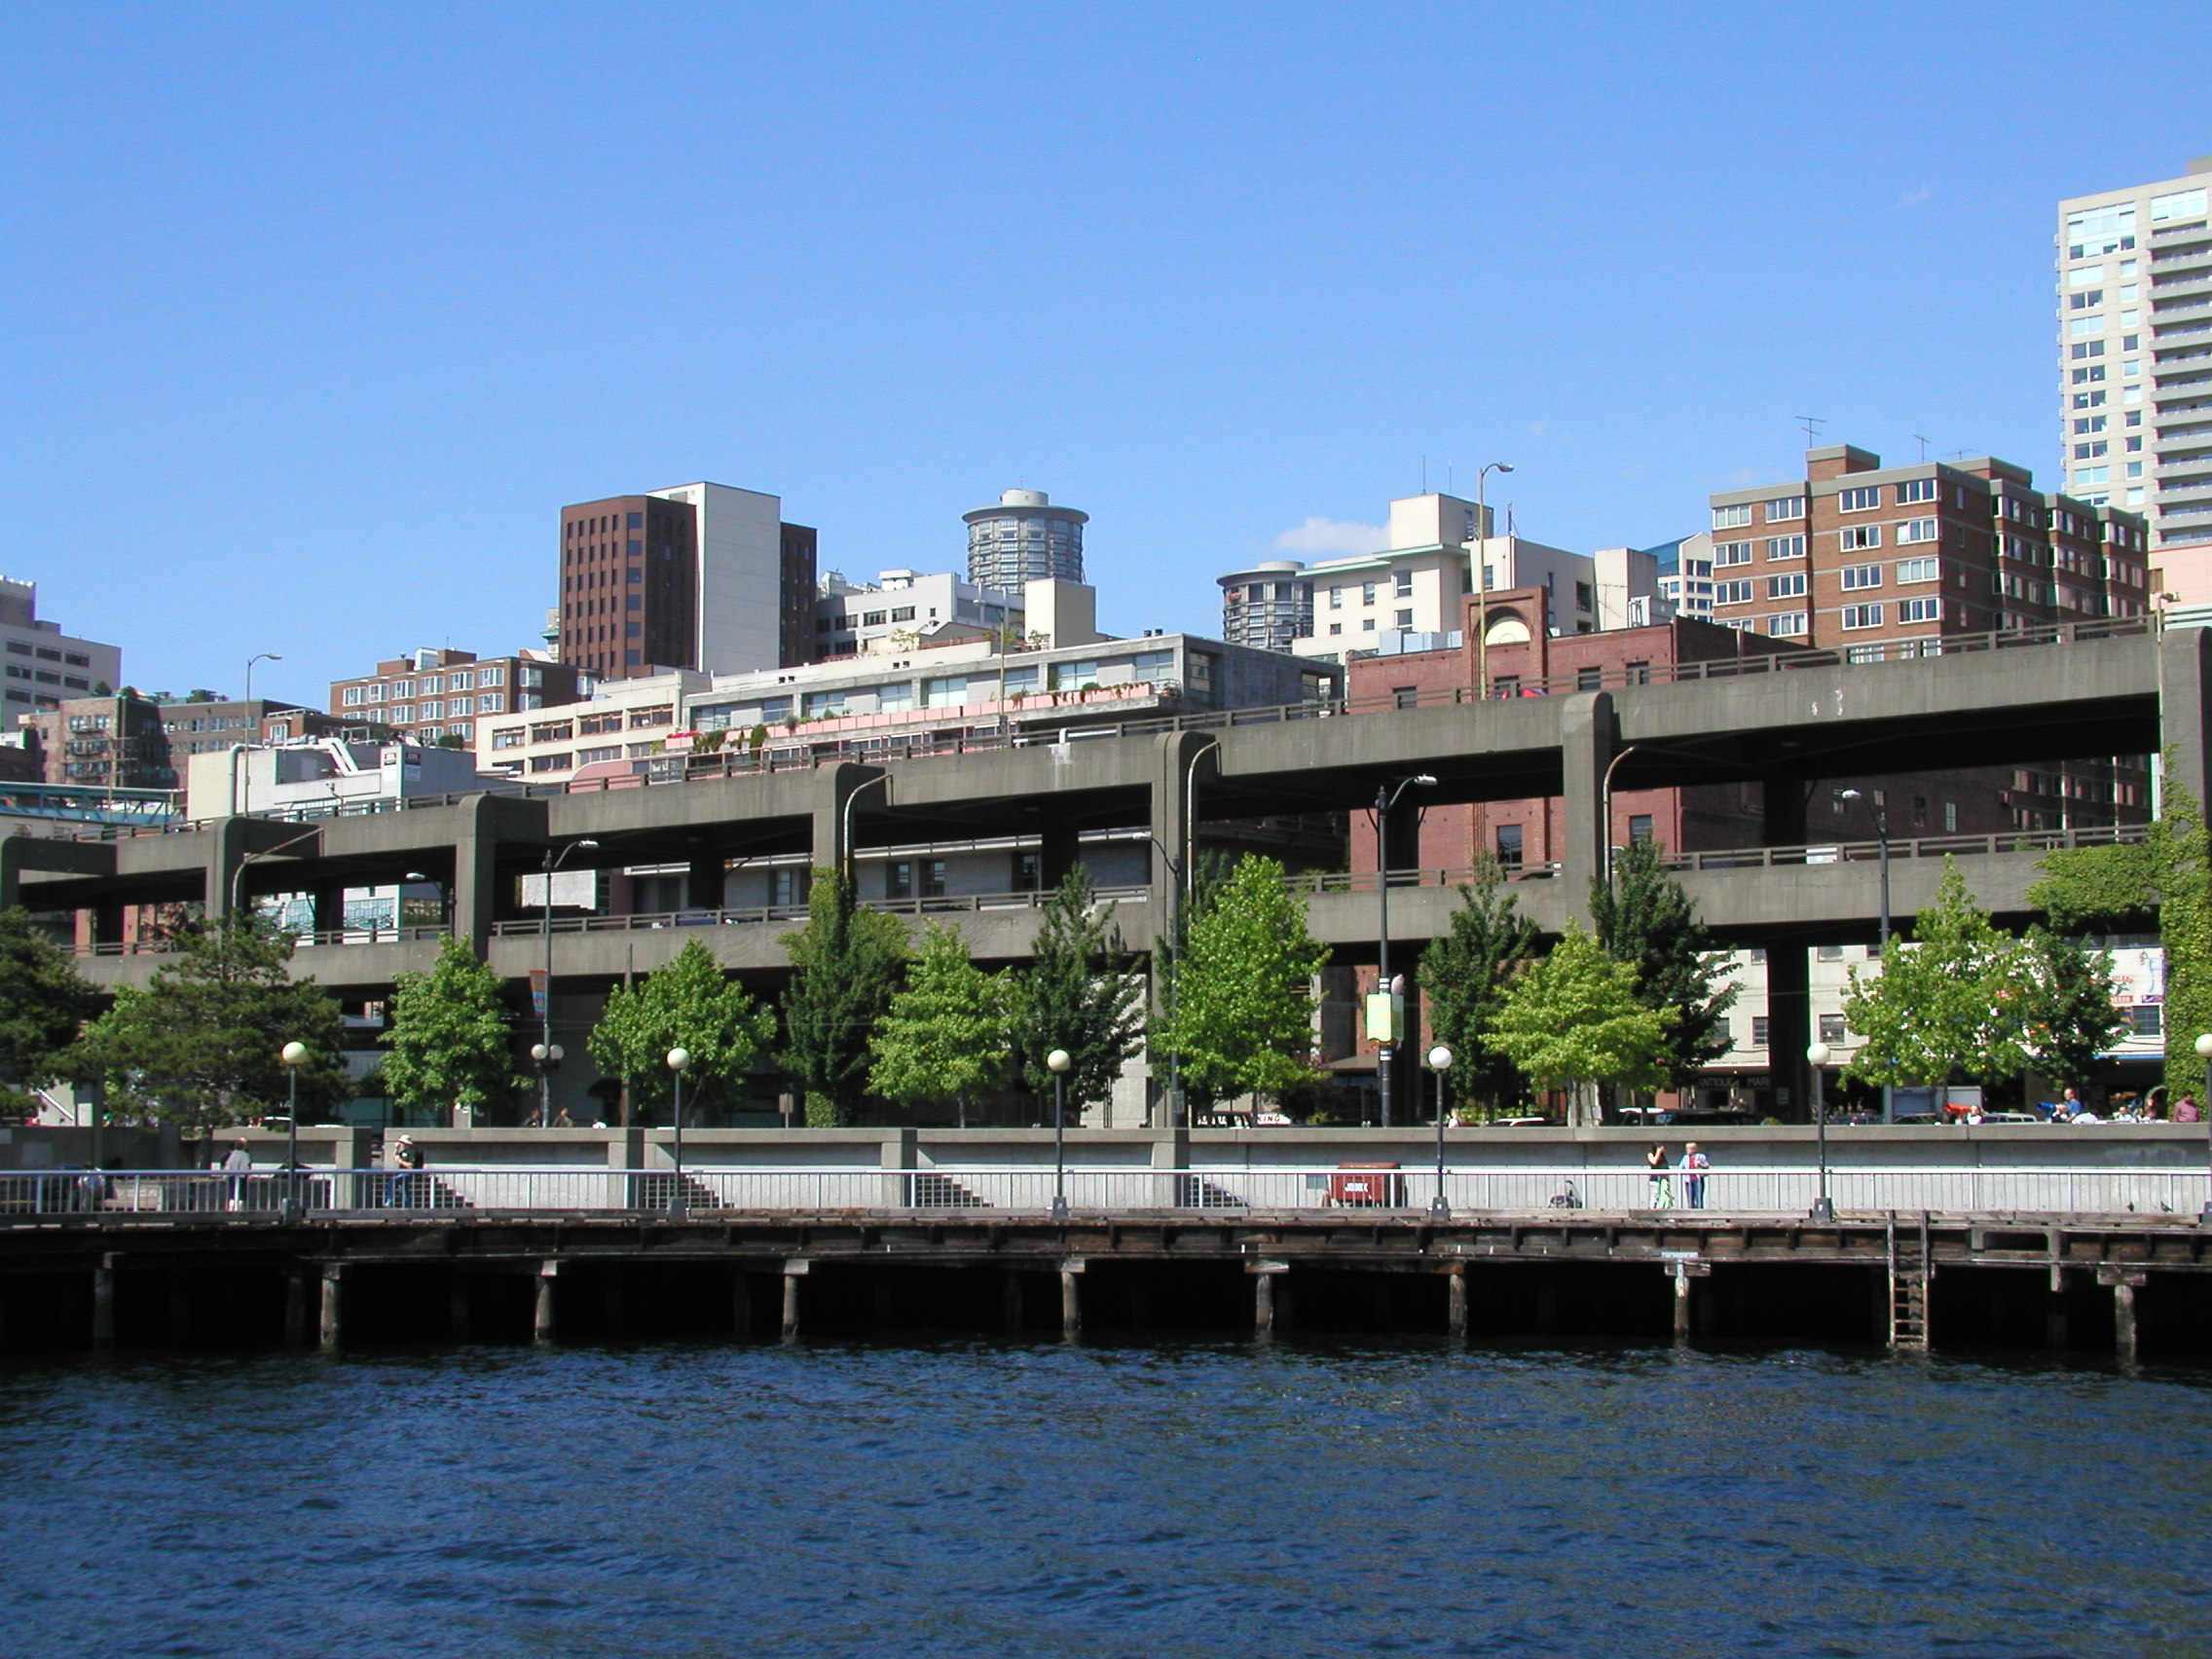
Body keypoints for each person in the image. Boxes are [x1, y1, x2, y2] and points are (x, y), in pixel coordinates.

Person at [221, 1138, 252, 1211]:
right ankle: (240, 1209)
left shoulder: (232, 1154)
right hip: (241, 1176)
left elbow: (227, 1165)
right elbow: (246, 1165)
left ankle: (231, 1208)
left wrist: (225, 1175)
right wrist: (248, 1174)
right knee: (241, 1193)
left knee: (232, 1192)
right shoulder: (245, 1155)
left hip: (231, 1175)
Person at [1678, 1142, 1711, 1209]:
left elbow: (1707, 1166)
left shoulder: (1701, 1156)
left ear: (1694, 1149)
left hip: (1698, 1179)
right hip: (1688, 1180)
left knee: (1698, 1197)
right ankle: (1691, 1212)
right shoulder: (1685, 1158)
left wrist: (1701, 1164)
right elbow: (1680, 1167)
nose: (1687, 1150)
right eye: (1686, 1149)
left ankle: (1700, 1213)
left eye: (1689, 1149)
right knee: (1690, 1197)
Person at [1645, 1143, 1674, 1210]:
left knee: (1665, 1195)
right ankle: (1652, 1209)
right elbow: (1654, 1162)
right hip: (1655, 1179)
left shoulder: (1663, 1156)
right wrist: (1658, 1152)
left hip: (1663, 1179)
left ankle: (1662, 1209)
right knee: (1655, 1195)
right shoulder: (1650, 1154)